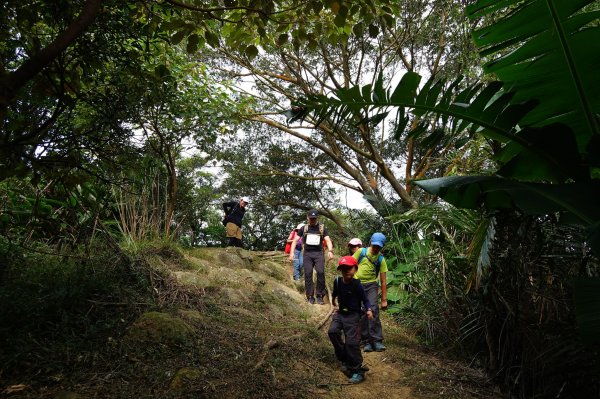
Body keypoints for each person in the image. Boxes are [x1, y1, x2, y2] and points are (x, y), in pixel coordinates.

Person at [329, 256, 374, 384]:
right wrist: (333, 304)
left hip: (353, 316)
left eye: (349, 268)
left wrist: (369, 310)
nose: (346, 271)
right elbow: (334, 294)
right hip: (340, 314)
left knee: (351, 342)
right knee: (332, 332)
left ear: (355, 269)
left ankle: (358, 370)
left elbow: (365, 300)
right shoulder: (337, 281)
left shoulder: (357, 285)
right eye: (343, 268)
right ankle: (344, 358)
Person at [289, 209, 333, 305]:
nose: (312, 220)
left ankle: (320, 295)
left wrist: (330, 251)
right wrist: (292, 253)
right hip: (307, 254)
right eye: (311, 218)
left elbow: (328, 240)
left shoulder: (322, 228)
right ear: (307, 218)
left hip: (319, 254)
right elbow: (295, 240)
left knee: (320, 272)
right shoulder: (303, 228)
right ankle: (310, 296)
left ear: (317, 218)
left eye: (314, 218)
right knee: (308, 274)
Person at [353, 232, 388, 352]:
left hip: (372, 285)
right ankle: (366, 341)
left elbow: (383, 281)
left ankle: (377, 340)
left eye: (379, 247)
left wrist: (384, 300)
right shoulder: (361, 252)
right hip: (358, 285)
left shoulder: (381, 259)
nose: (376, 248)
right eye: (374, 246)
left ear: (382, 246)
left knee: (373, 309)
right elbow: (350, 265)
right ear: (371, 243)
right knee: (363, 311)